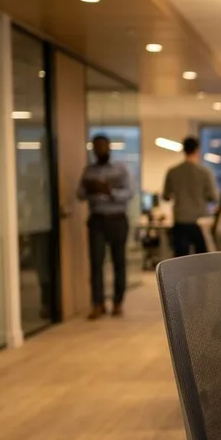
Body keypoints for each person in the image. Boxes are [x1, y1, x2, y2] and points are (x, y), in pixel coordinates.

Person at [77, 135, 134, 319]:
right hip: (97, 220)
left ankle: (118, 302)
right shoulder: (89, 171)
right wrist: (90, 189)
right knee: (96, 263)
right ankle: (98, 303)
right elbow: (79, 194)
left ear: (109, 147)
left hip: (117, 219)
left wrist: (110, 191)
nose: (99, 150)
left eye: (102, 146)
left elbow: (129, 193)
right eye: (96, 147)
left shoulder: (120, 169)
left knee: (119, 261)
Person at [163, 136, 219, 256]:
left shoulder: (173, 172)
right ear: (197, 150)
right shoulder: (205, 172)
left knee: (180, 259)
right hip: (200, 221)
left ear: (183, 150)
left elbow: (166, 196)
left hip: (180, 219)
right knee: (201, 259)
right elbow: (214, 197)